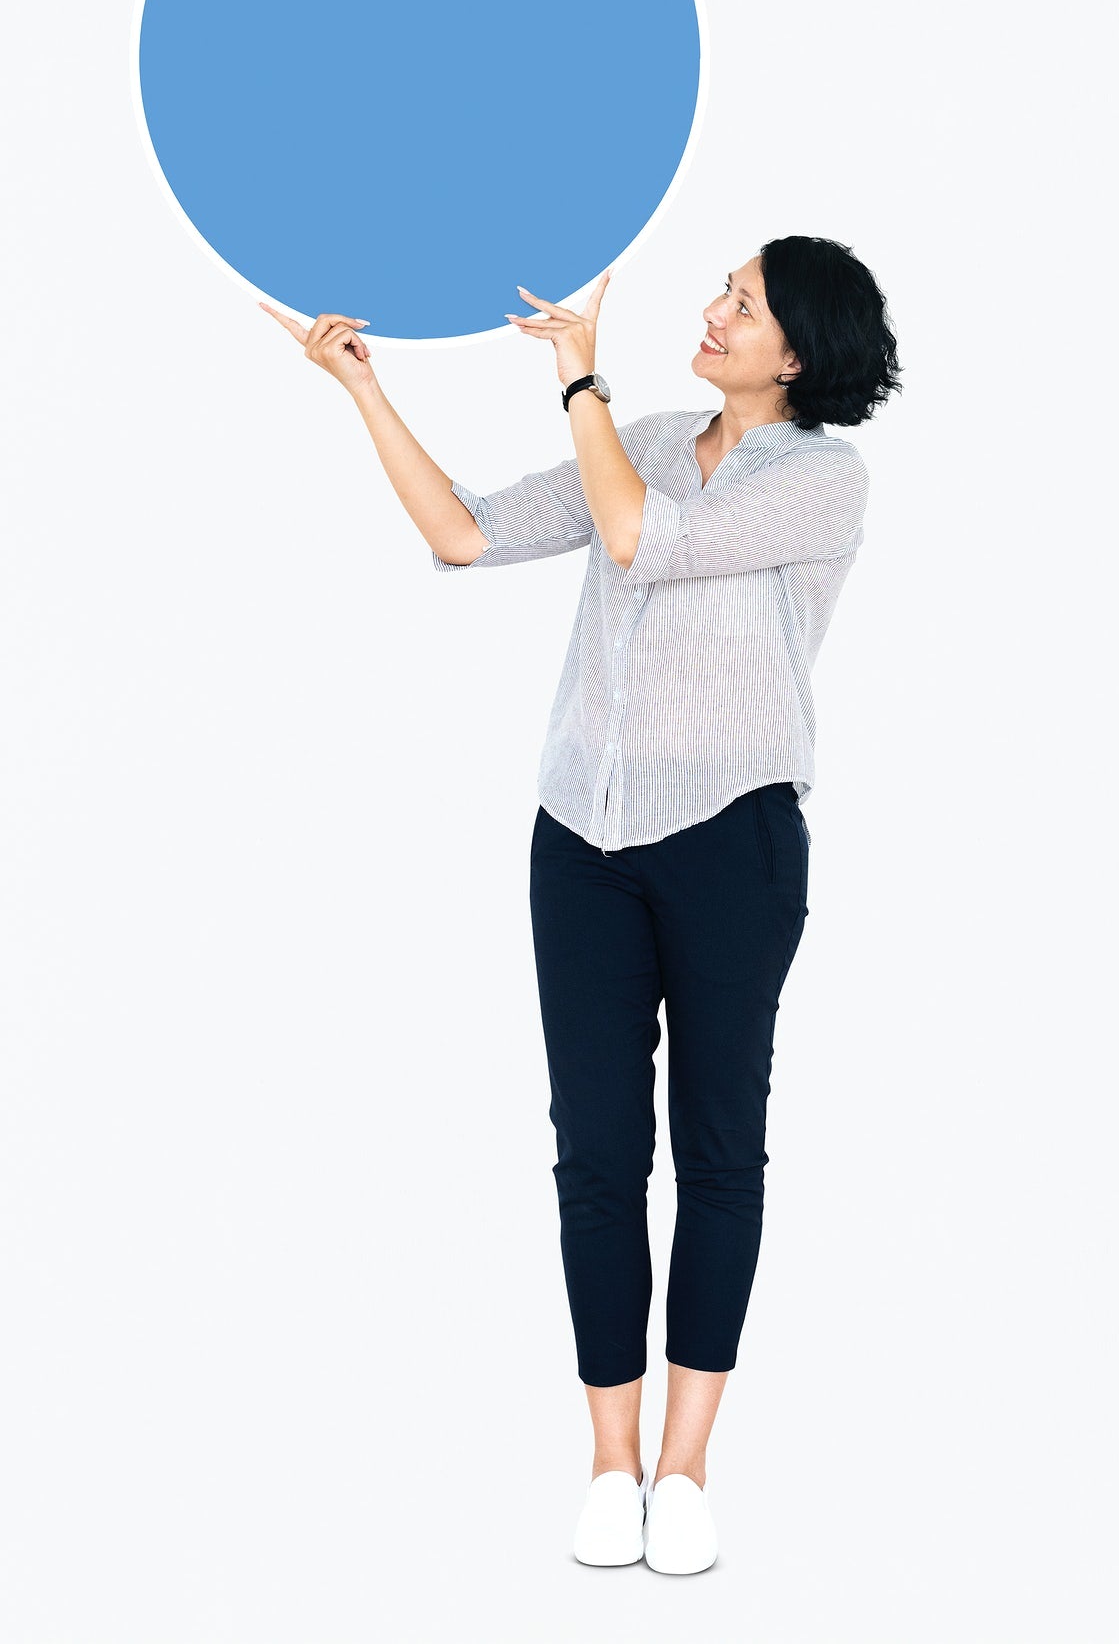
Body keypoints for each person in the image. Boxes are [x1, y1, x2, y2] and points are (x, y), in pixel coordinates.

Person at [261, 234, 901, 1575]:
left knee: (720, 1147)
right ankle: (611, 1464)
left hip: (734, 844)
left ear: (803, 351)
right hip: (583, 839)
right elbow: (466, 530)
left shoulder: (822, 479)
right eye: (722, 289)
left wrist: (578, 375)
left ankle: (687, 1466)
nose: (717, 311)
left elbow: (635, 537)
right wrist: (364, 390)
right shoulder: (650, 433)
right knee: (597, 1153)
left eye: (749, 303)